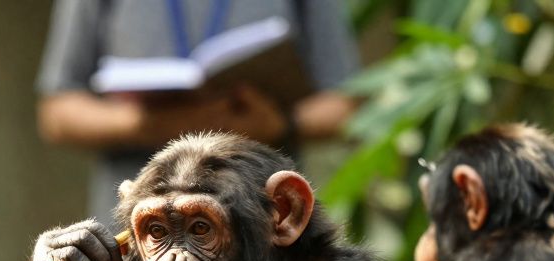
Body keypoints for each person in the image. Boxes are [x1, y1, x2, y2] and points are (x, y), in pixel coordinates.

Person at [37, 0, 359, 223]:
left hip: (261, 227)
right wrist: (145, 124)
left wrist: (282, 124)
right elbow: (58, 111)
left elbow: (346, 106)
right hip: (138, 231)